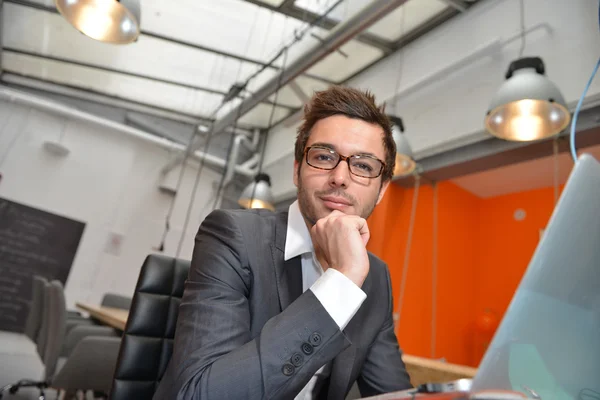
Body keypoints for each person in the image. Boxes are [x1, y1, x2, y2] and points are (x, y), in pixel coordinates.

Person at [154, 86, 413, 400]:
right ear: (296, 170)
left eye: (363, 166)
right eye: (323, 156)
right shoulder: (233, 236)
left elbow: (394, 393)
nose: (340, 177)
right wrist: (340, 283)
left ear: (382, 189)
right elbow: (203, 395)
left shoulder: (375, 277)